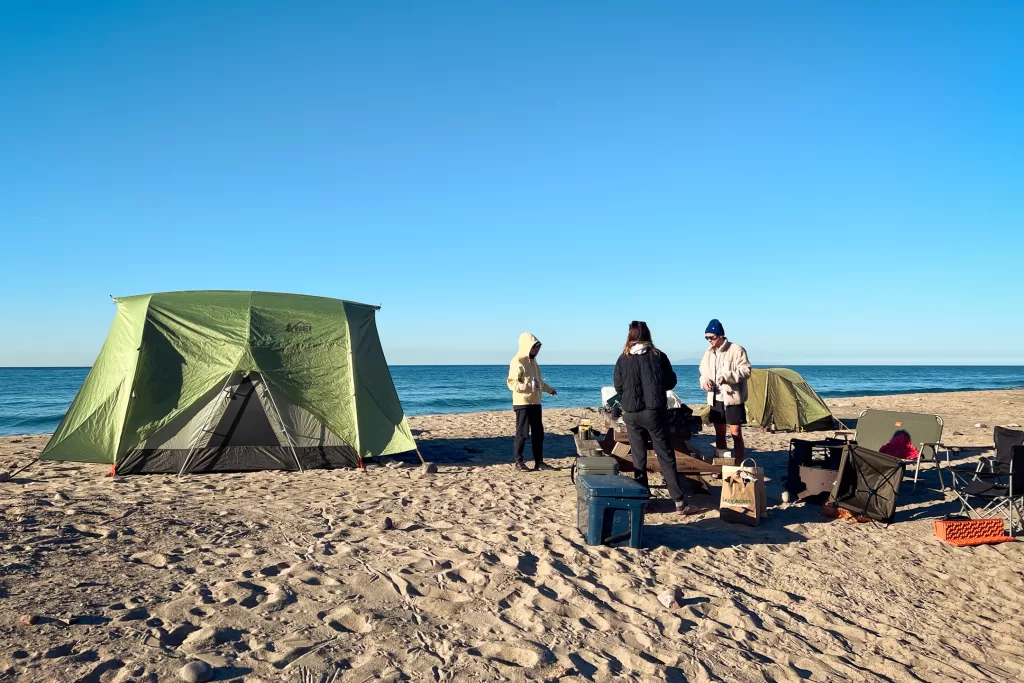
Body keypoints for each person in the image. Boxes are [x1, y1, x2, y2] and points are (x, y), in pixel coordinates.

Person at [613, 321, 693, 514]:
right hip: (654, 411)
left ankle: (644, 500)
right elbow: (670, 381)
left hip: (632, 413)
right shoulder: (658, 356)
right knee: (665, 455)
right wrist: (655, 388)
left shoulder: (623, 359)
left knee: (638, 458)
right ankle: (678, 501)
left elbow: (618, 387)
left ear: (630, 336)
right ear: (648, 335)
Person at [698, 319, 751, 460]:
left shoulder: (736, 350)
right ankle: (722, 466)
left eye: (712, 337)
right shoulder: (708, 353)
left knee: (735, 433)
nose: (709, 340)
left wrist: (727, 376)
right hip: (715, 399)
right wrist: (704, 382)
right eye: (706, 337)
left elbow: (746, 371)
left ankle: (740, 465)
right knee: (719, 434)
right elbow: (702, 372)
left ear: (721, 335)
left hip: (733, 398)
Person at [507, 332, 557, 472]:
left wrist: (549, 390)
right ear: (527, 347)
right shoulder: (517, 361)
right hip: (522, 402)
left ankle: (539, 462)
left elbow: (538, 381)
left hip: (535, 402)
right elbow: (511, 382)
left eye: (538, 349)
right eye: (534, 348)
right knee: (522, 433)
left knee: (538, 433)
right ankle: (518, 461)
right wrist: (520, 386)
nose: (536, 351)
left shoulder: (534, 362)